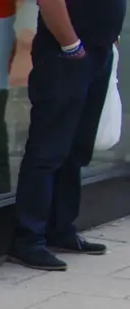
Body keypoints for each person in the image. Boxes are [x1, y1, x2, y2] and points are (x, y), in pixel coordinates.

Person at [10, 0, 127, 270]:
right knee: (48, 148)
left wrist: (110, 39)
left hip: (97, 51)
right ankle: (28, 239)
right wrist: (71, 44)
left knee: (77, 148)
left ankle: (61, 229)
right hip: (67, 53)